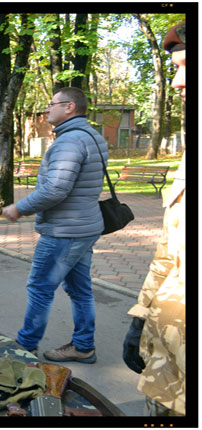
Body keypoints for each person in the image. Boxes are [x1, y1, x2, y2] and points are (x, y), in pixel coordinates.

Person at [1, 87, 107, 363]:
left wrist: (18, 208)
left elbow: (55, 190)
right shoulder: (92, 136)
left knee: (40, 288)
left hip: (65, 230)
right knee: (80, 289)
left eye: (53, 104)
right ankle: (83, 346)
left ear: (69, 107)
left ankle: (25, 346)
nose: (47, 109)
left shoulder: (69, 142)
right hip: (83, 226)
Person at [122, 21, 185, 417]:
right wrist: (141, 317)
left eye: (187, 67)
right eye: (176, 69)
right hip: (168, 364)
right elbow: (169, 251)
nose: (178, 83)